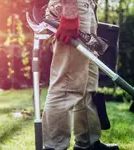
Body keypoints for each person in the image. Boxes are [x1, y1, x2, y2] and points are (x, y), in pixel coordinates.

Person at [39, 0, 120, 149]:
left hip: (85, 7)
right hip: (73, 5)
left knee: (87, 85)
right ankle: (54, 146)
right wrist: (69, 13)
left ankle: (88, 142)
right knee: (67, 85)